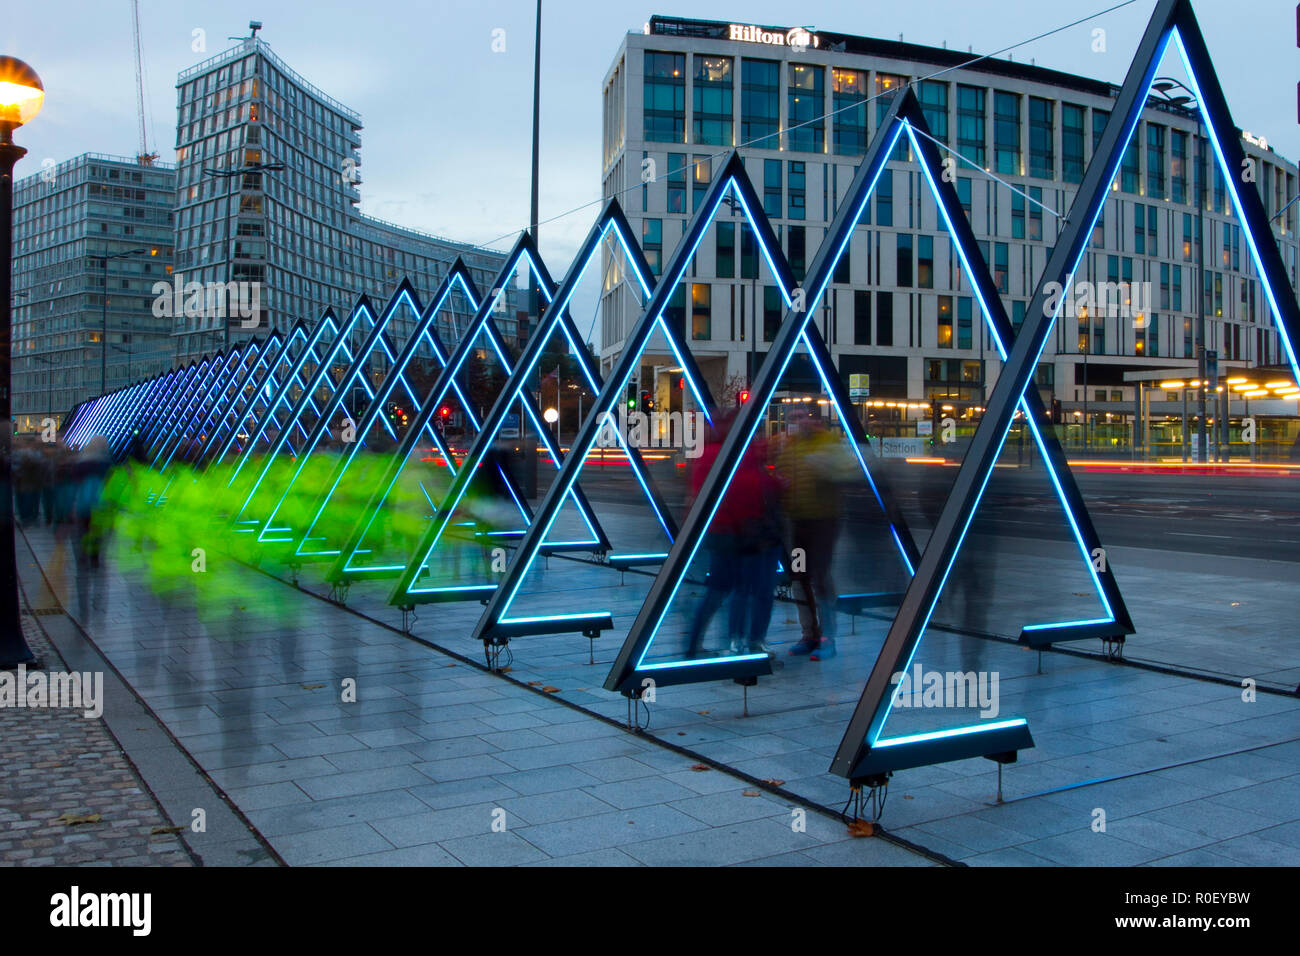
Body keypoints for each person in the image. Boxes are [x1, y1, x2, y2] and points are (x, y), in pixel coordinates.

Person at [775, 406, 856, 661]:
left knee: (820, 576)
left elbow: (847, 473)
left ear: (815, 419)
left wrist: (827, 471)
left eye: (802, 417)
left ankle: (827, 636)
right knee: (799, 577)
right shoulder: (791, 446)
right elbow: (780, 474)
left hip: (823, 522)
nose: (798, 422)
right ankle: (808, 633)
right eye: (793, 418)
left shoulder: (829, 442)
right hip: (798, 523)